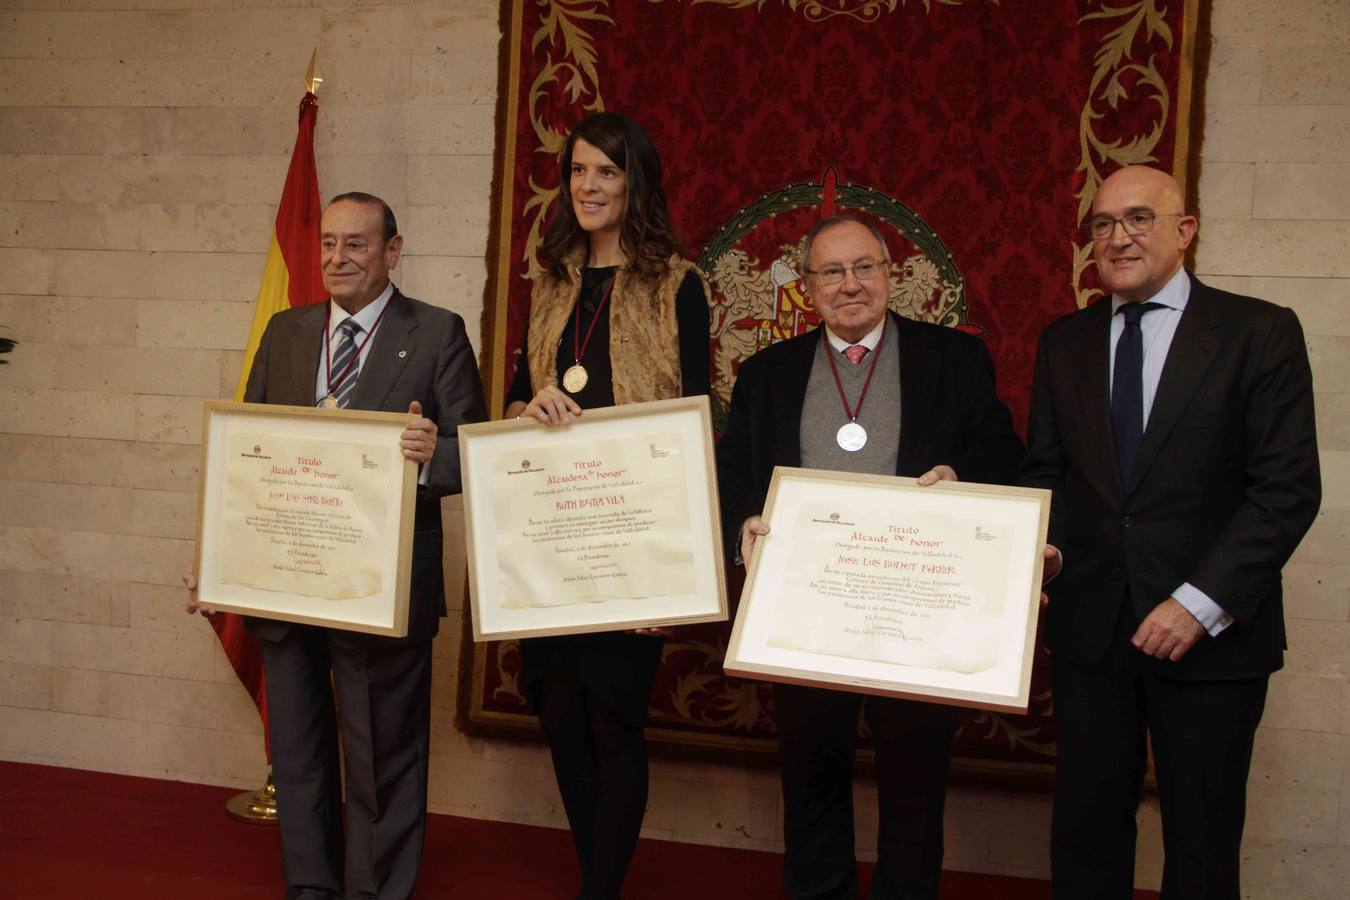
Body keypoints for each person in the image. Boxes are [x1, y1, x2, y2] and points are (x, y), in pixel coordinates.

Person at [1021, 165, 1321, 900]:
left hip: (1212, 642)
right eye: (1102, 224)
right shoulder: (1065, 342)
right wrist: (1045, 554)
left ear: (1185, 231)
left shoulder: (1258, 332)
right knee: (1085, 840)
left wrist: (1198, 601)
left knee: (1202, 845)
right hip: (1093, 634)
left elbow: (1285, 489)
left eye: (1138, 219)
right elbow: (1047, 475)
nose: (1118, 238)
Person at [186, 192, 487, 899]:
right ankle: (312, 888)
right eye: (327, 244)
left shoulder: (438, 332)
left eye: (356, 244)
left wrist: (427, 453)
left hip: (380, 590)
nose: (336, 258)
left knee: (381, 758)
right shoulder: (287, 333)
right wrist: (216, 558)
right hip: (284, 582)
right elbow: (246, 462)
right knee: (298, 755)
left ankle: (374, 892)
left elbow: (470, 453)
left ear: (392, 250)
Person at [716, 216, 1024, 900]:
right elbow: (733, 466)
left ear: (892, 274)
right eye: (831, 272)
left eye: (864, 267)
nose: (849, 285)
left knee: (915, 784)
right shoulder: (767, 373)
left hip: (916, 611)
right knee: (810, 775)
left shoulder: (954, 359)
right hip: (803, 610)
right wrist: (744, 519)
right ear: (807, 288)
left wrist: (957, 474)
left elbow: (1004, 453)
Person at [504, 112, 712, 899]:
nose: (588, 187)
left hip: (636, 535)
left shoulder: (676, 283)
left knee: (611, 716)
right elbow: (524, 394)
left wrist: (680, 571)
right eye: (579, 172)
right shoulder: (551, 280)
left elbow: (697, 420)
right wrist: (527, 405)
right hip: (553, 530)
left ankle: (599, 890)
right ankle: (600, 876)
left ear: (636, 184)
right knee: (557, 707)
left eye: (607, 173)